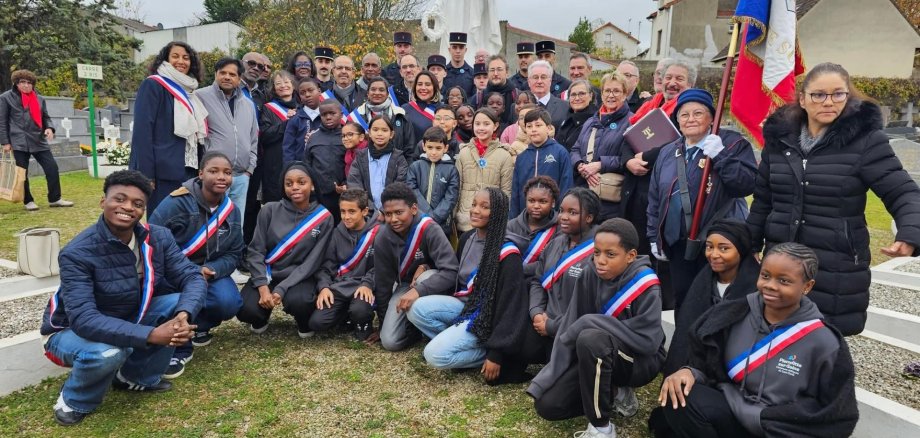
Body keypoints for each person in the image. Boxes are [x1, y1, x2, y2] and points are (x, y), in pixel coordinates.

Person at [747, 62, 920, 336]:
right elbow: (764, 199)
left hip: (836, 263)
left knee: (825, 341)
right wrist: (751, 242)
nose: (828, 102)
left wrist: (910, 232)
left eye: (838, 94)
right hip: (782, 258)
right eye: (818, 95)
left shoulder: (866, 141)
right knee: (775, 338)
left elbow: (903, 192)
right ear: (803, 99)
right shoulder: (779, 141)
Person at [40, 170, 206, 426]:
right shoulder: (77, 252)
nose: (128, 207)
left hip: (127, 316)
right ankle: (74, 399)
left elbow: (192, 276)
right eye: (119, 199)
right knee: (110, 352)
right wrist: (151, 334)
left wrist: (183, 315)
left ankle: (133, 378)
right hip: (69, 330)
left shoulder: (158, 237)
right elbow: (84, 319)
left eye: (137, 203)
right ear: (103, 202)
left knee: (177, 305)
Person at [658, 243, 859, 438]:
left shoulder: (825, 341)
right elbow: (706, 363)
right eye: (765, 276)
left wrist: (771, 420)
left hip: (779, 427)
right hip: (732, 410)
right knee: (678, 395)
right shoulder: (732, 314)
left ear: (807, 286)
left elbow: (836, 413)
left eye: (784, 281)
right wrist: (690, 371)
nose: (770, 286)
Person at [529, 218, 665, 438]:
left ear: (630, 256)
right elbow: (570, 325)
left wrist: (591, 322)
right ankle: (615, 392)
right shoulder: (589, 273)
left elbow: (648, 342)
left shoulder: (646, 284)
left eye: (610, 254)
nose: (600, 260)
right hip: (596, 352)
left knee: (591, 338)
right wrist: (550, 374)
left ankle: (601, 427)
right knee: (548, 405)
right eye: (596, 252)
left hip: (639, 361)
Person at [647, 88, 757, 309]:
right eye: (684, 115)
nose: (691, 119)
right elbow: (655, 198)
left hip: (718, 244)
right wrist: (653, 236)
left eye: (698, 113)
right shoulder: (668, 152)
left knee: (716, 303)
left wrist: (720, 156)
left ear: (711, 118)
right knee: (684, 302)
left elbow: (746, 184)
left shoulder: (732, 144)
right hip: (678, 244)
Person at [412, 188, 532, 384]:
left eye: (485, 207)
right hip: (465, 306)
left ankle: (485, 354)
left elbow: (510, 307)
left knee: (434, 355)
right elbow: (455, 274)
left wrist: (496, 354)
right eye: (474, 204)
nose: (476, 210)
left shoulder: (508, 254)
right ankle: (460, 344)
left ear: (498, 213)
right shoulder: (467, 238)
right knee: (416, 309)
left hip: (487, 318)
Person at [149, 152, 244, 379]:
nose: (221, 177)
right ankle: (179, 348)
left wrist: (214, 270)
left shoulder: (232, 211)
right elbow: (152, 242)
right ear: (200, 174)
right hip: (174, 272)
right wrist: (187, 271)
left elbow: (234, 253)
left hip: (208, 272)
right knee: (175, 299)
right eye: (214, 171)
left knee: (228, 302)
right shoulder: (175, 203)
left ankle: (200, 326)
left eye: (227, 172)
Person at [237, 161, 334, 337]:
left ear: (312, 185)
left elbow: (313, 262)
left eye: (301, 182)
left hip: (300, 276)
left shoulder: (324, 217)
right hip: (269, 273)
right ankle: (260, 317)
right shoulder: (269, 210)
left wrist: (282, 288)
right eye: (289, 183)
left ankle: (303, 322)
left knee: (301, 303)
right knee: (245, 309)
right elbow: (256, 251)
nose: (294, 187)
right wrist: (262, 287)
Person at [371, 182, 459, 351]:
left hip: (431, 283)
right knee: (389, 341)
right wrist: (382, 324)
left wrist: (419, 288)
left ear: (413, 209)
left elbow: (451, 271)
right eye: (388, 214)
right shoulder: (382, 236)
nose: (393, 219)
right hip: (406, 286)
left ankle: (440, 326)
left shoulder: (429, 228)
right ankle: (415, 331)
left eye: (399, 212)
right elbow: (383, 284)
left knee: (425, 276)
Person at [129, 41, 208, 213]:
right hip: (162, 173)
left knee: (186, 220)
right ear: (165, 59)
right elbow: (143, 133)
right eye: (175, 56)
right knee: (162, 221)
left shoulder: (190, 91)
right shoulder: (153, 85)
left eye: (186, 58)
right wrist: (146, 175)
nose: (181, 61)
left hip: (189, 171)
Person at [525, 188, 600, 362]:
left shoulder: (600, 250)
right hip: (544, 320)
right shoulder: (555, 243)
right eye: (561, 211)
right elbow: (537, 280)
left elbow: (592, 305)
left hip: (573, 329)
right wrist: (536, 312)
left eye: (572, 212)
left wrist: (552, 326)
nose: (563, 217)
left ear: (589, 218)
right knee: (517, 351)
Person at [196, 58, 259, 228]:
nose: (227, 77)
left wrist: (250, 169)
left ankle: (235, 247)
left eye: (232, 74)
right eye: (222, 73)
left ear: (239, 78)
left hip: (241, 175)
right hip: (214, 174)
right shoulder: (200, 96)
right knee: (212, 223)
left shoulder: (248, 104)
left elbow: (254, 137)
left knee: (236, 223)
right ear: (216, 74)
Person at [309, 188, 378, 340]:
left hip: (364, 286)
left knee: (360, 312)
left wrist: (367, 284)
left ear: (365, 211)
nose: (346, 217)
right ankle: (345, 315)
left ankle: (362, 319)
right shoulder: (335, 233)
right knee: (317, 323)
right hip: (341, 287)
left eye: (352, 212)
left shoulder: (378, 233)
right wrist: (324, 287)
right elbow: (326, 266)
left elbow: (380, 268)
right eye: (343, 211)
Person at [0, 69, 73, 211]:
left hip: (38, 139)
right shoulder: (5, 98)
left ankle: (55, 198)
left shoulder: (39, 99)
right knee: (22, 173)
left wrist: (49, 128)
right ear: (16, 83)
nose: (26, 85)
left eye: (29, 83)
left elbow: (45, 117)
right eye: (22, 82)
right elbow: (2, 121)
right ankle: (28, 201)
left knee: (52, 168)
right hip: (18, 140)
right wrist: (5, 142)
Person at [570, 72, 633, 220]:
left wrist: (600, 165)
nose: (611, 95)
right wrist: (580, 166)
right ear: (602, 94)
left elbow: (629, 159)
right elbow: (575, 149)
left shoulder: (632, 121)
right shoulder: (591, 121)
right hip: (585, 194)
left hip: (611, 200)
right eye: (607, 90)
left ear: (625, 94)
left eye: (616, 91)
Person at [245, 70, 298, 243]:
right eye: (278, 83)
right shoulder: (268, 109)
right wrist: (287, 123)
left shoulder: (302, 107)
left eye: (286, 82)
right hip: (274, 165)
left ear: (293, 85)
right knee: (275, 207)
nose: (283, 86)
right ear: (274, 88)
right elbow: (265, 135)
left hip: (297, 163)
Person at [454, 108, 514, 233]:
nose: (481, 128)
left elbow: (506, 191)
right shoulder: (464, 152)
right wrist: (454, 215)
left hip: (491, 218)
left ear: (495, 126)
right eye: (477, 124)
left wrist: (502, 219)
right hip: (466, 216)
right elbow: (457, 187)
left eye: (486, 124)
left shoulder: (504, 155)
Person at [511, 108, 573, 218]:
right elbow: (515, 192)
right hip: (525, 217)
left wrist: (560, 215)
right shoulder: (522, 157)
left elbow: (566, 186)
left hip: (552, 217)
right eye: (529, 126)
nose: (533, 130)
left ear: (548, 128)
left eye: (538, 125)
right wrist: (514, 219)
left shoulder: (560, 153)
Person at [347, 115, 409, 211]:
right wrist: (372, 210)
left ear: (391, 134)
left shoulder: (399, 158)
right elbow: (354, 185)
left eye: (384, 130)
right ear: (369, 133)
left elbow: (400, 186)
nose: (379, 134)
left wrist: (384, 211)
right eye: (375, 130)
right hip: (367, 212)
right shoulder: (360, 157)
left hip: (391, 211)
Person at [407, 127, 460, 237]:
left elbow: (451, 197)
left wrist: (435, 217)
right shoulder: (415, 167)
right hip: (418, 220)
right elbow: (412, 191)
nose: (434, 152)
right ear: (424, 146)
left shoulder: (451, 170)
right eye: (430, 147)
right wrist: (427, 215)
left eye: (438, 148)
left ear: (445, 148)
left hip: (442, 225)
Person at [506, 176, 559, 280]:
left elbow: (551, 262)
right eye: (531, 201)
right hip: (512, 281)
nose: (536, 206)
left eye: (543, 201)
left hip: (541, 282)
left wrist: (519, 270)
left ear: (553, 203)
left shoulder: (559, 228)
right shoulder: (511, 226)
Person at [351, 76, 416, 161]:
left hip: (396, 166)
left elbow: (410, 148)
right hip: (365, 166)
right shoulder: (356, 116)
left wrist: (404, 168)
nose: (377, 93)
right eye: (373, 89)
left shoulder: (400, 114)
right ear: (367, 93)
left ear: (387, 94)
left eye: (381, 90)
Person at [304, 100, 346, 223]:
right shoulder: (313, 137)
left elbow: (354, 163)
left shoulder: (347, 136)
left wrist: (346, 183)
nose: (328, 117)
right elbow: (306, 165)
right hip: (320, 195)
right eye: (324, 114)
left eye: (332, 113)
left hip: (344, 194)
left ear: (341, 114)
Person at [631, 59, 694, 124]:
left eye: (679, 79)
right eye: (668, 78)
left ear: (690, 84)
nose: (672, 83)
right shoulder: (649, 102)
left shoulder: (691, 111)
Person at [281, 78, 322, 165]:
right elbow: (288, 148)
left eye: (310, 90)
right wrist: (290, 168)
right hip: (300, 167)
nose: (307, 95)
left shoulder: (328, 116)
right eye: (302, 93)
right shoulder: (295, 119)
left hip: (324, 167)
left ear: (319, 91)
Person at [556, 79, 599, 151]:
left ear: (591, 96)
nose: (577, 98)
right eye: (573, 95)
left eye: (582, 94)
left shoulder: (596, 120)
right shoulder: (566, 118)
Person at [401, 71, 442, 147]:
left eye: (428, 84)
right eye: (419, 84)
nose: (423, 88)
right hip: (414, 153)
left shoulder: (443, 109)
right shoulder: (405, 109)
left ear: (435, 87)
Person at [528, 60, 568, 129]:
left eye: (543, 77)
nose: (539, 81)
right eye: (535, 77)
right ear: (529, 82)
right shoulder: (518, 107)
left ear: (550, 81)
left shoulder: (565, 107)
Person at [481, 55, 519, 127]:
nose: (495, 73)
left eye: (499, 69)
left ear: (507, 72)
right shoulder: (479, 97)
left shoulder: (517, 95)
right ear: (487, 73)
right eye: (492, 70)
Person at [443, 32, 475, 97]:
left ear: (465, 50)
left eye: (461, 47)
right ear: (449, 50)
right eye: (454, 47)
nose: (458, 51)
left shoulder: (472, 73)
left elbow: (474, 97)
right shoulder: (443, 73)